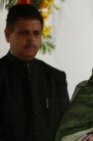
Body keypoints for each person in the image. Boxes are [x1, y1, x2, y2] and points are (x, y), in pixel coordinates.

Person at [0, 4, 70, 141]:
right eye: (24, 33)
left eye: (36, 33)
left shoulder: (56, 78)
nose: (31, 38)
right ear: (8, 35)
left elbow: (66, 129)